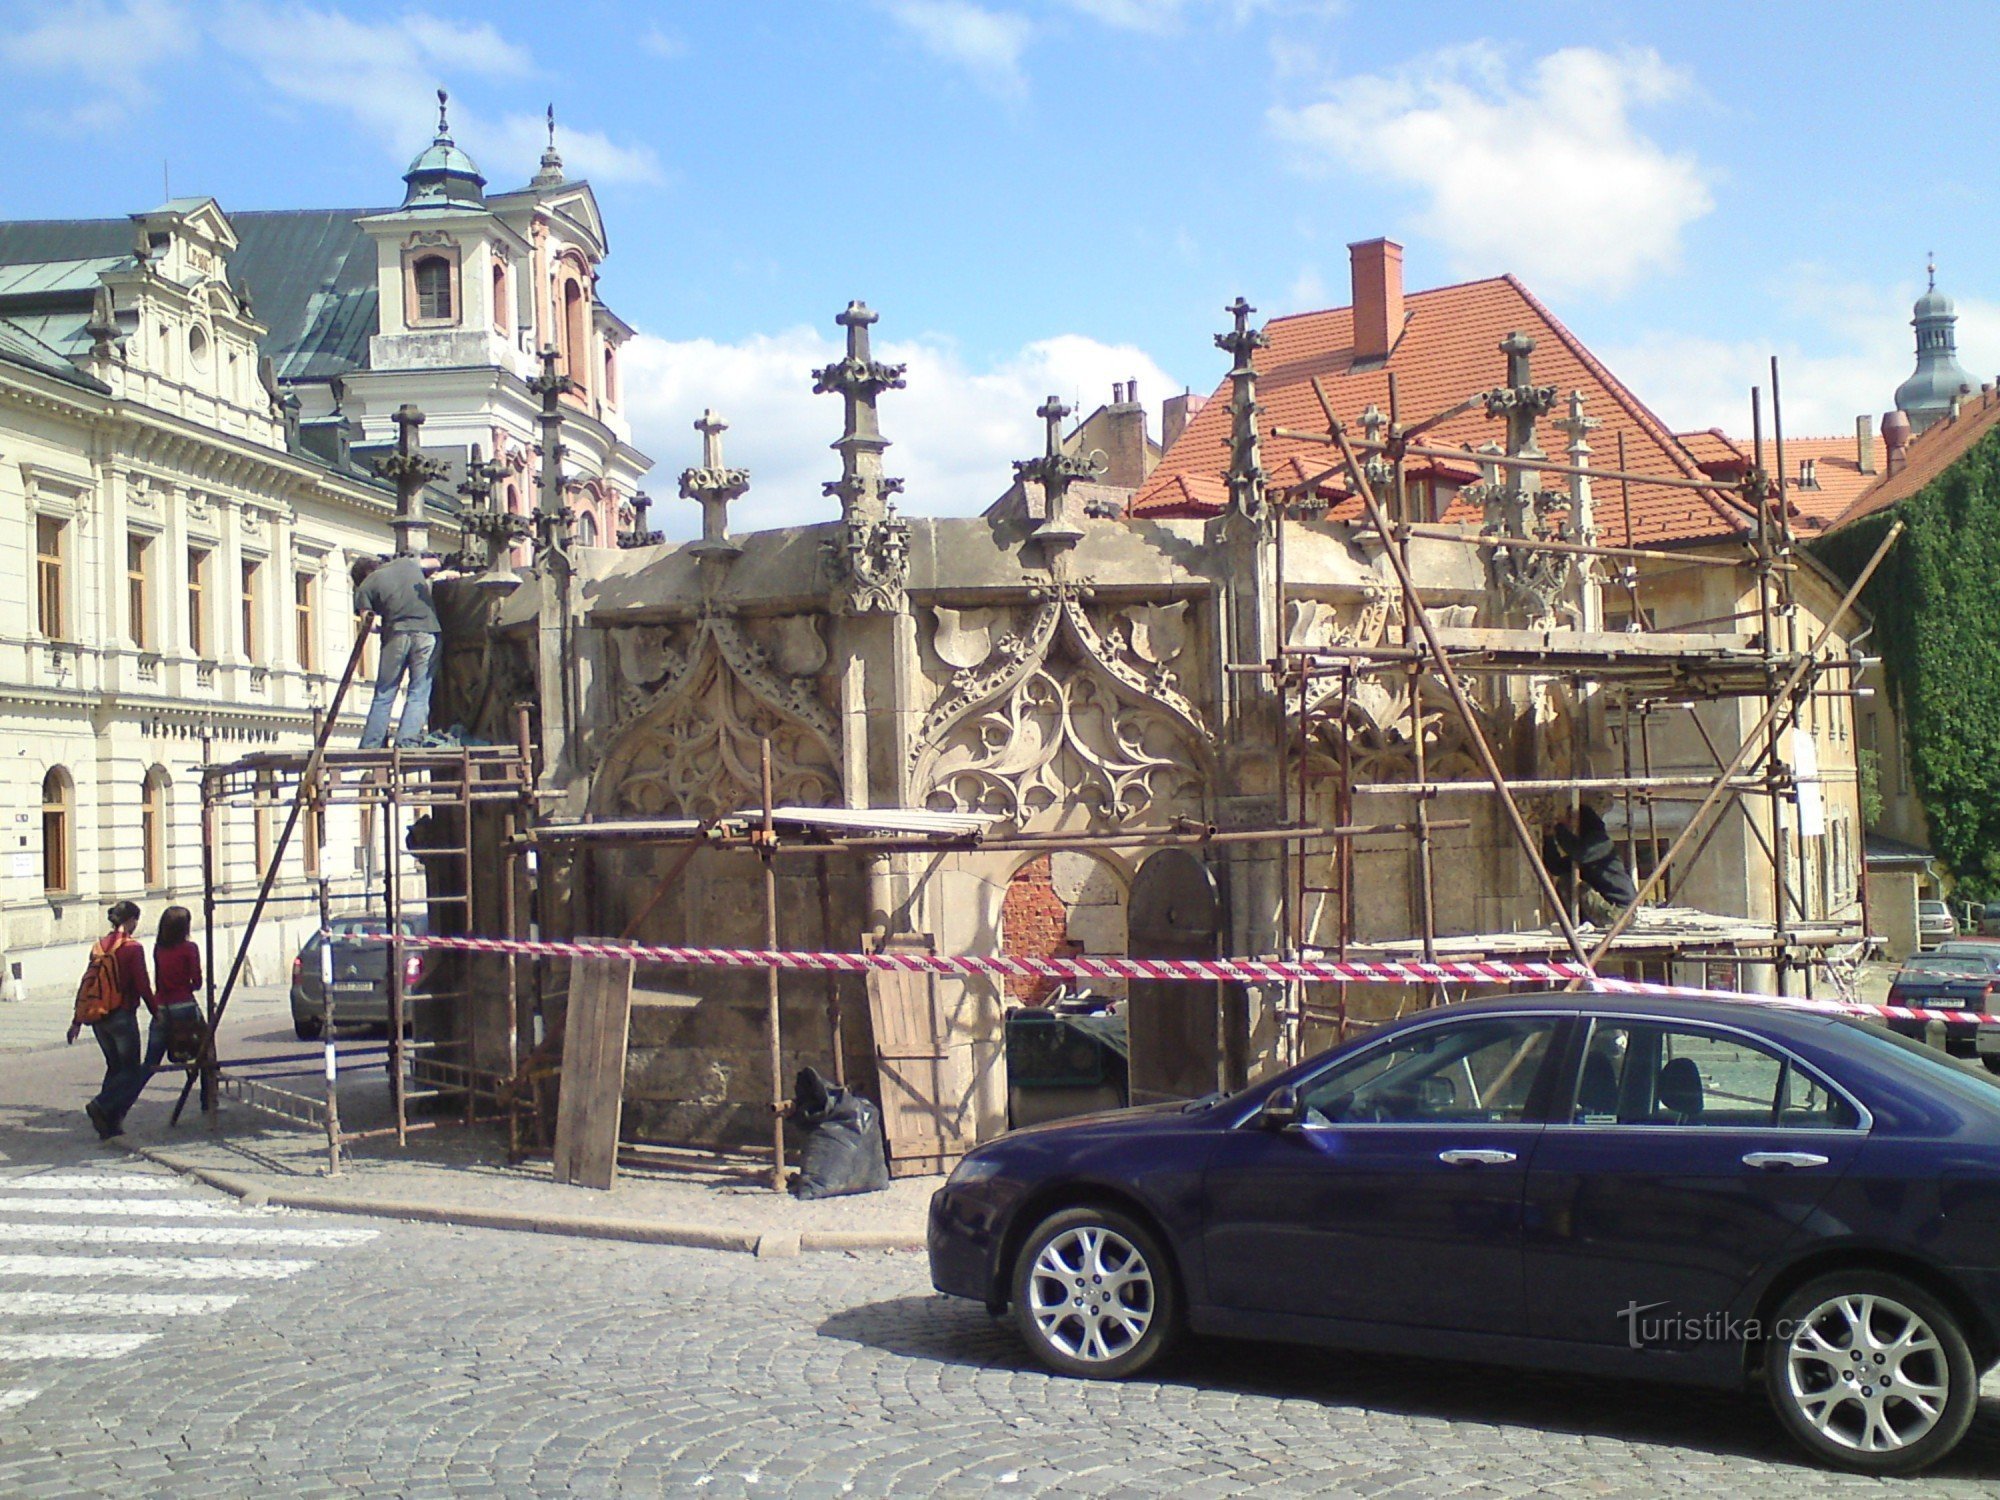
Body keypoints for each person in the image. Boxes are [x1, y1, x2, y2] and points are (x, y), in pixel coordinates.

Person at [66, 900, 154, 1139]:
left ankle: (109, 1123)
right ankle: (102, 1106)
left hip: (98, 1016)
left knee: (114, 1067)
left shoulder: (98, 947)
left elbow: (87, 983)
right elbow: (142, 984)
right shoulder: (132, 948)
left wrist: (77, 1020)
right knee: (131, 1070)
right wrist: (156, 1012)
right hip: (121, 1014)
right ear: (132, 920)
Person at [351, 553, 444, 749]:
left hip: (396, 634)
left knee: (385, 691)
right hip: (427, 632)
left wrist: (381, 625)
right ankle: (407, 742)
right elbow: (434, 563)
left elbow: (369, 623)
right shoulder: (406, 563)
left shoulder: (365, 586)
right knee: (419, 690)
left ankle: (371, 744)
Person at [147, 905, 204, 1082]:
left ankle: (116, 1102)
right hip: (183, 1003)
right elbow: (197, 981)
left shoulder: (159, 948)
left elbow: (158, 979)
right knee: (206, 1049)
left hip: (162, 1004)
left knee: (151, 1061)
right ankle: (208, 1097)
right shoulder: (189, 948)